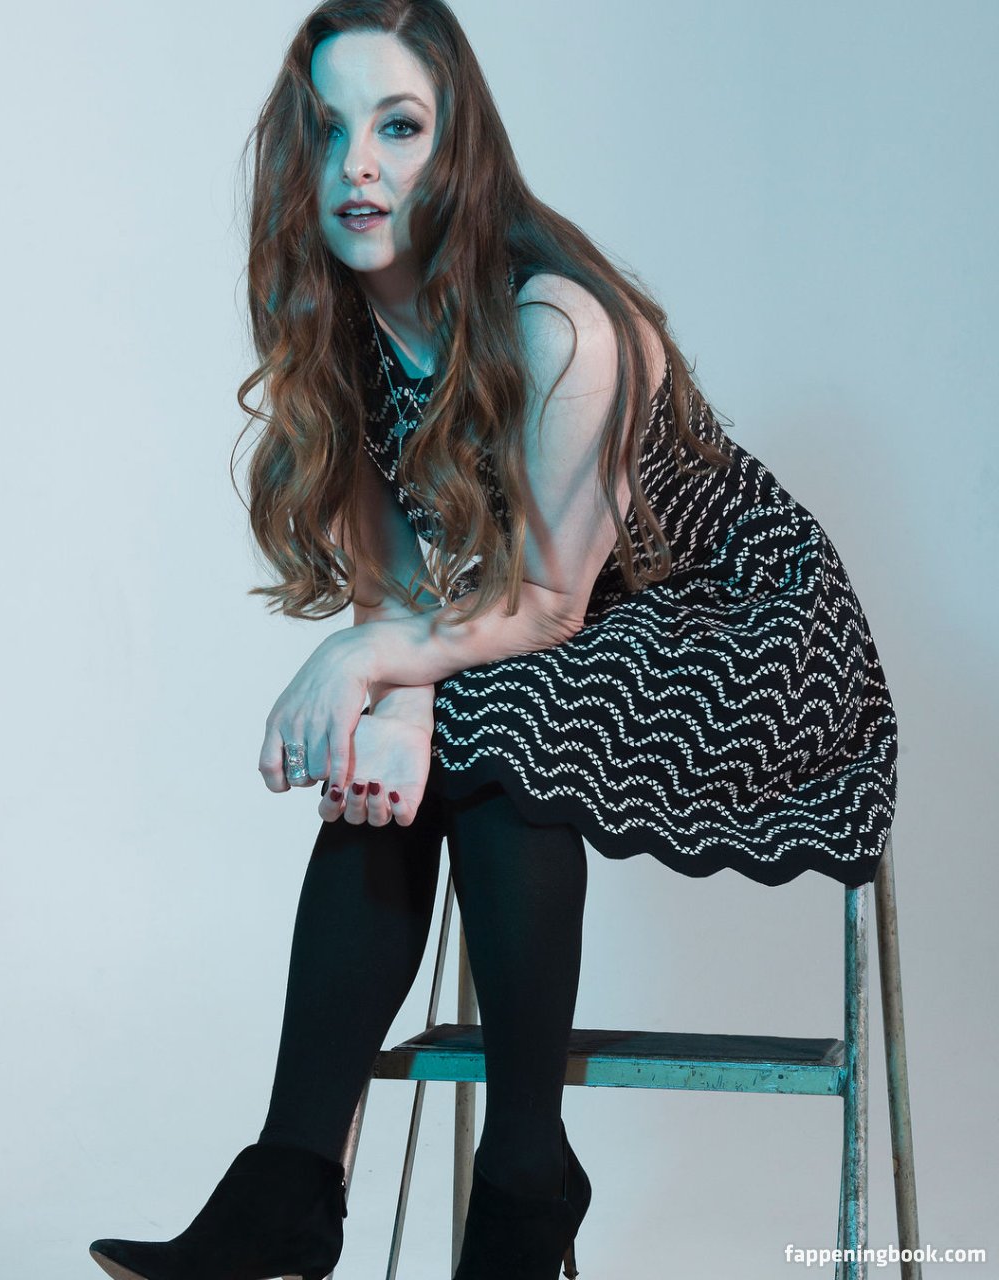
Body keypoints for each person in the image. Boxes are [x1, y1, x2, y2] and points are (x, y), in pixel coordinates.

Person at [89, 2, 900, 1278]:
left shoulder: (560, 322)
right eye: (329, 131)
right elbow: (393, 579)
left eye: (398, 127)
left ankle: (522, 1168)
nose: (357, 165)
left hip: (743, 623)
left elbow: (550, 603)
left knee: (499, 705)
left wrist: (364, 664)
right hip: (545, 616)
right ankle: (293, 1178)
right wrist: (395, 698)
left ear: (457, 143)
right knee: (434, 715)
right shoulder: (340, 321)